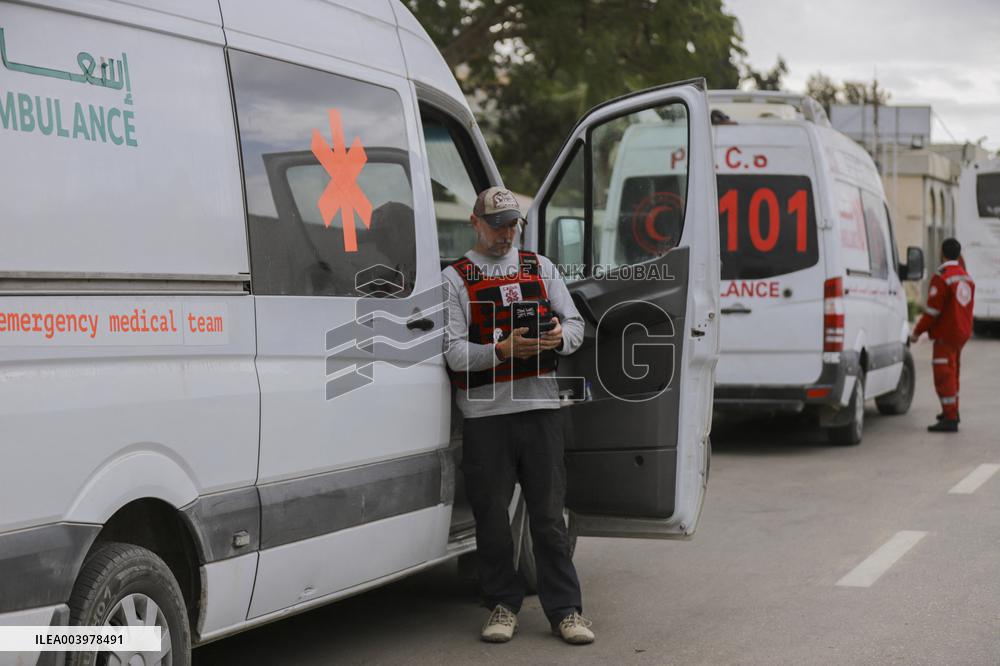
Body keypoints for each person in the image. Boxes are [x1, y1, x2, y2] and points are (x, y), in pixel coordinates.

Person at [441, 186, 594, 645]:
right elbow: (451, 352)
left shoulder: (541, 268)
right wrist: (500, 350)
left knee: (548, 518)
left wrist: (556, 339)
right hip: (487, 415)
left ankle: (566, 612)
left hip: (541, 408)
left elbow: (575, 325)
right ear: (475, 223)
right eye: (496, 225)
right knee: (491, 518)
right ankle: (502, 605)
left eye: (512, 225)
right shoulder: (455, 278)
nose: (506, 234)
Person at [910, 238, 975, 432]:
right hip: (961, 333)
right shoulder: (966, 277)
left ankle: (950, 418)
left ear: (942, 253)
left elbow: (932, 311)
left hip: (946, 334)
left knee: (943, 375)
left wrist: (916, 332)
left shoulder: (942, 277)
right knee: (953, 372)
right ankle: (952, 410)